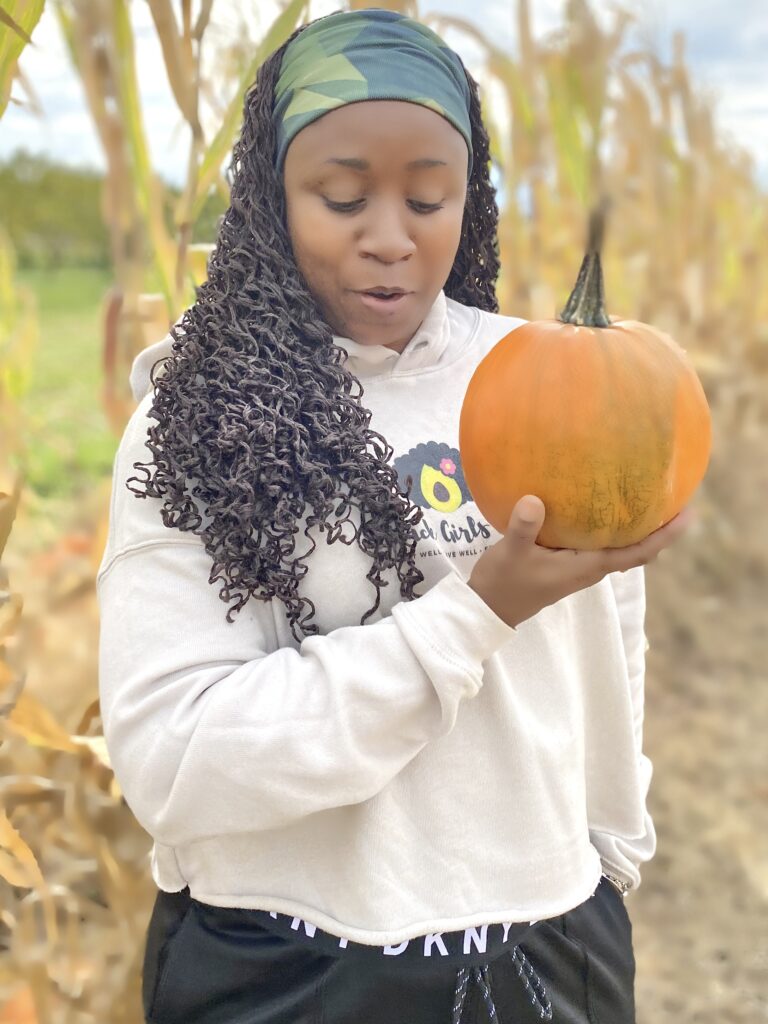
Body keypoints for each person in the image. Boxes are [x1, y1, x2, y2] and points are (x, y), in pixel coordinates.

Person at [96, 9, 694, 1024]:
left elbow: (605, 649)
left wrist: (606, 859)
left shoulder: (563, 388)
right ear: (270, 194)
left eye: (429, 197)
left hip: (547, 943)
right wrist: (477, 612)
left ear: (473, 198)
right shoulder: (195, 416)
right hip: (286, 962)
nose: (388, 238)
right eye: (340, 196)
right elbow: (176, 761)